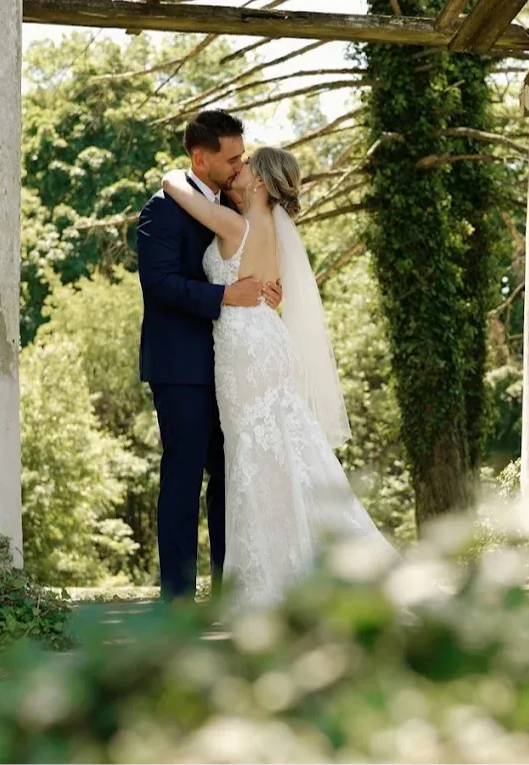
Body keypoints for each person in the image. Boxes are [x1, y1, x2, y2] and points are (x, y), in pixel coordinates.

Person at [160, 144, 399, 613]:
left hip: (244, 349)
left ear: (262, 183)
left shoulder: (236, 224)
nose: (238, 169)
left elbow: (174, 188)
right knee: (282, 454)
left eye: (245, 165)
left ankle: (268, 581)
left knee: (252, 458)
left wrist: (177, 170)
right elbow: (274, 288)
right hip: (268, 338)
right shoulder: (271, 228)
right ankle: (301, 567)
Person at [134, 110, 281, 603]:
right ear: (201, 158)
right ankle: (176, 601)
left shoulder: (235, 209)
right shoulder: (161, 209)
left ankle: (228, 590)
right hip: (182, 368)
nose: (240, 165)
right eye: (232, 157)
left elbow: (247, 264)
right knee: (183, 474)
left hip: (234, 363)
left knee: (231, 475)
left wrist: (263, 290)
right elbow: (158, 285)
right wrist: (224, 298)